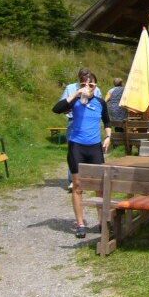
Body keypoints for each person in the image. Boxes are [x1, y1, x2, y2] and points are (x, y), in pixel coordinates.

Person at [53, 72, 112, 238]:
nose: (87, 87)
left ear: (96, 86)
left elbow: (107, 122)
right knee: (78, 186)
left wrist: (108, 137)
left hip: (94, 147)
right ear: (79, 86)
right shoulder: (75, 102)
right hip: (76, 147)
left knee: (100, 186)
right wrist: (76, 94)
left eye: (91, 84)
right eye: (84, 84)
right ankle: (80, 224)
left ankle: (102, 222)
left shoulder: (100, 102)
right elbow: (56, 109)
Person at [60, 68, 102, 190]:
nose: (86, 83)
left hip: (90, 123)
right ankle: (73, 180)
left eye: (88, 79)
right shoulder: (70, 88)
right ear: (79, 78)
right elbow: (62, 104)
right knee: (73, 151)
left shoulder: (96, 88)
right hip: (74, 121)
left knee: (92, 149)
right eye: (83, 80)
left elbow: (99, 103)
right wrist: (69, 107)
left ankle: (89, 179)